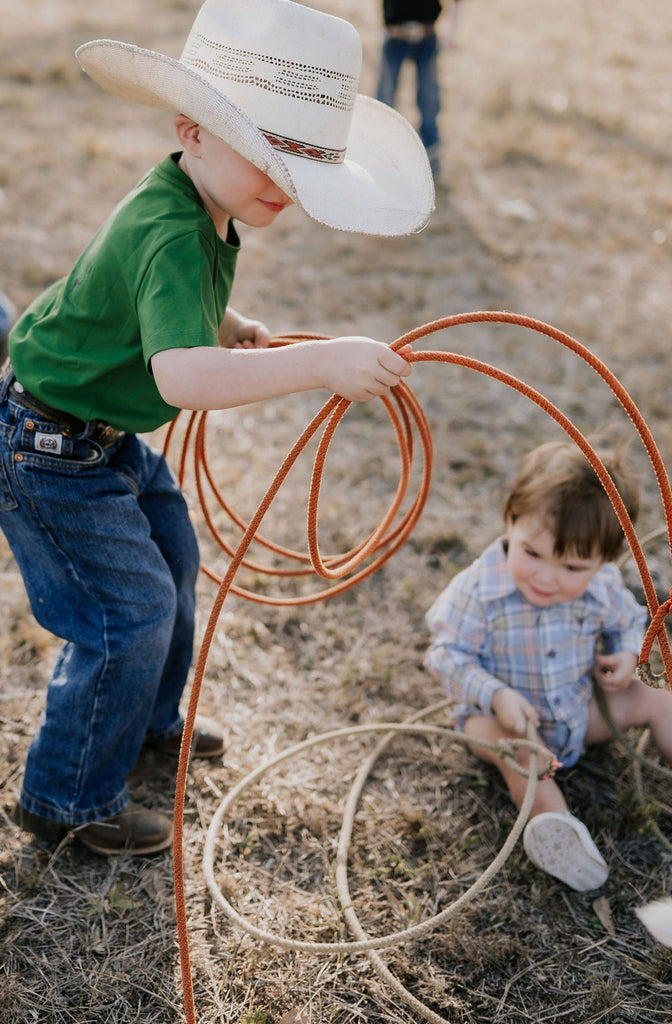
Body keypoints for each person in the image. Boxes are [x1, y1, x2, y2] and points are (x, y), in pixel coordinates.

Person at [2, 0, 434, 857]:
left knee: (172, 556)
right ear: (191, 132)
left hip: (95, 436)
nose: (282, 181)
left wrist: (224, 320)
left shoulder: (195, 207)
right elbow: (181, 376)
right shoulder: (170, 229)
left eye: (301, 162)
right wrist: (318, 363)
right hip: (47, 449)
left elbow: (155, 304)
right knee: (131, 609)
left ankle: (146, 720)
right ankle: (65, 796)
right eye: (266, 154)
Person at [424, 439, 672, 892]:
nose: (546, 577)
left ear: (606, 560)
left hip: (577, 710)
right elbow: (444, 655)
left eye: (571, 567)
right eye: (532, 554)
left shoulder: (602, 584)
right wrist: (495, 694)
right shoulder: (478, 591)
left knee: (657, 697)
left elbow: (626, 619)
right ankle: (557, 829)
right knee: (520, 752)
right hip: (503, 722)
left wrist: (625, 654)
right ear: (510, 522)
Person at [376, 0, 460, 176]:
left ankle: (431, 156)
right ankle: (377, 151)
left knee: (428, 98)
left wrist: (453, 32)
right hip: (395, 35)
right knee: (385, 99)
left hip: (426, 36)